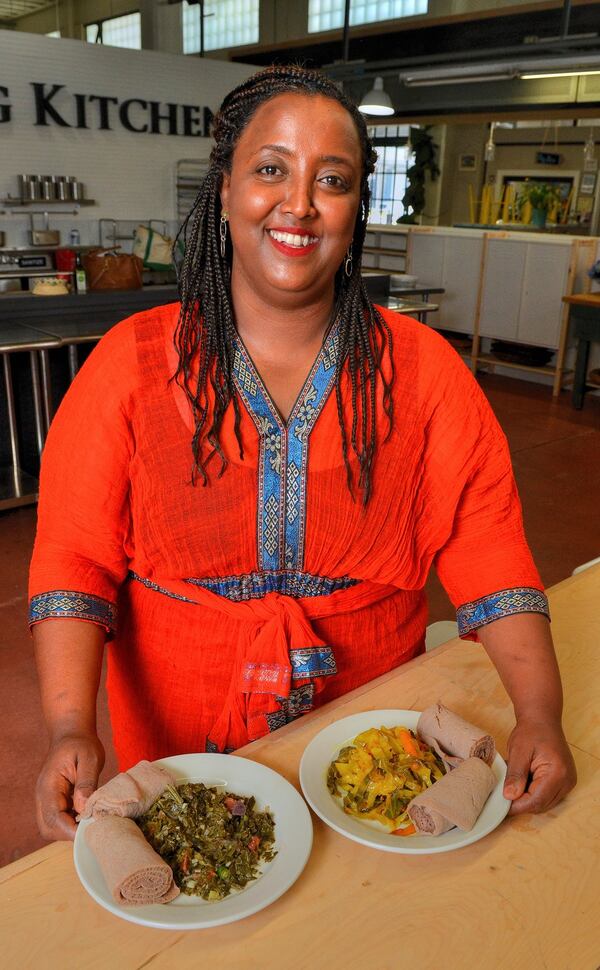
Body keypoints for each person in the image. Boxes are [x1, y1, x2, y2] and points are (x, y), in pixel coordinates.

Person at [29, 66, 576, 842]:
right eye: (270, 170)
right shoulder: (129, 366)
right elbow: (72, 561)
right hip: (184, 736)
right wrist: (65, 728)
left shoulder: (424, 373)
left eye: (333, 179)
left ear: (356, 208)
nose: (300, 204)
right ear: (224, 191)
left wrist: (541, 713)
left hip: (367, 728)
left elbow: (487, 545)